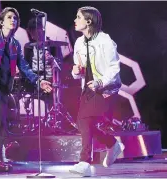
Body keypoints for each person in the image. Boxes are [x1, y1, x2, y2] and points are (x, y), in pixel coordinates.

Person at [0, 7, 52, 172]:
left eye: (15, 18)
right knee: (0, 109)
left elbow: (23, 66)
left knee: (5, 113)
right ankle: (1, 153)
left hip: (2, 85)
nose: (13, 20)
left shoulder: (15, 44)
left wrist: (38, 81)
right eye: (9, 17)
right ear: (1, 21)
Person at [69, 6, 125, 176]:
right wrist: (76, 72)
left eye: (78, 17)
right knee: (84, 123)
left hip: (106, 88)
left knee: (85, 120)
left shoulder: (105, 41)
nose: (75, 20)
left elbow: (114, 68)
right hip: (88, 88)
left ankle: (84, 162)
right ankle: (112, 144)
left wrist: (101, 82)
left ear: (88, 21)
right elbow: (77, 71)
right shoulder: (79, 42)